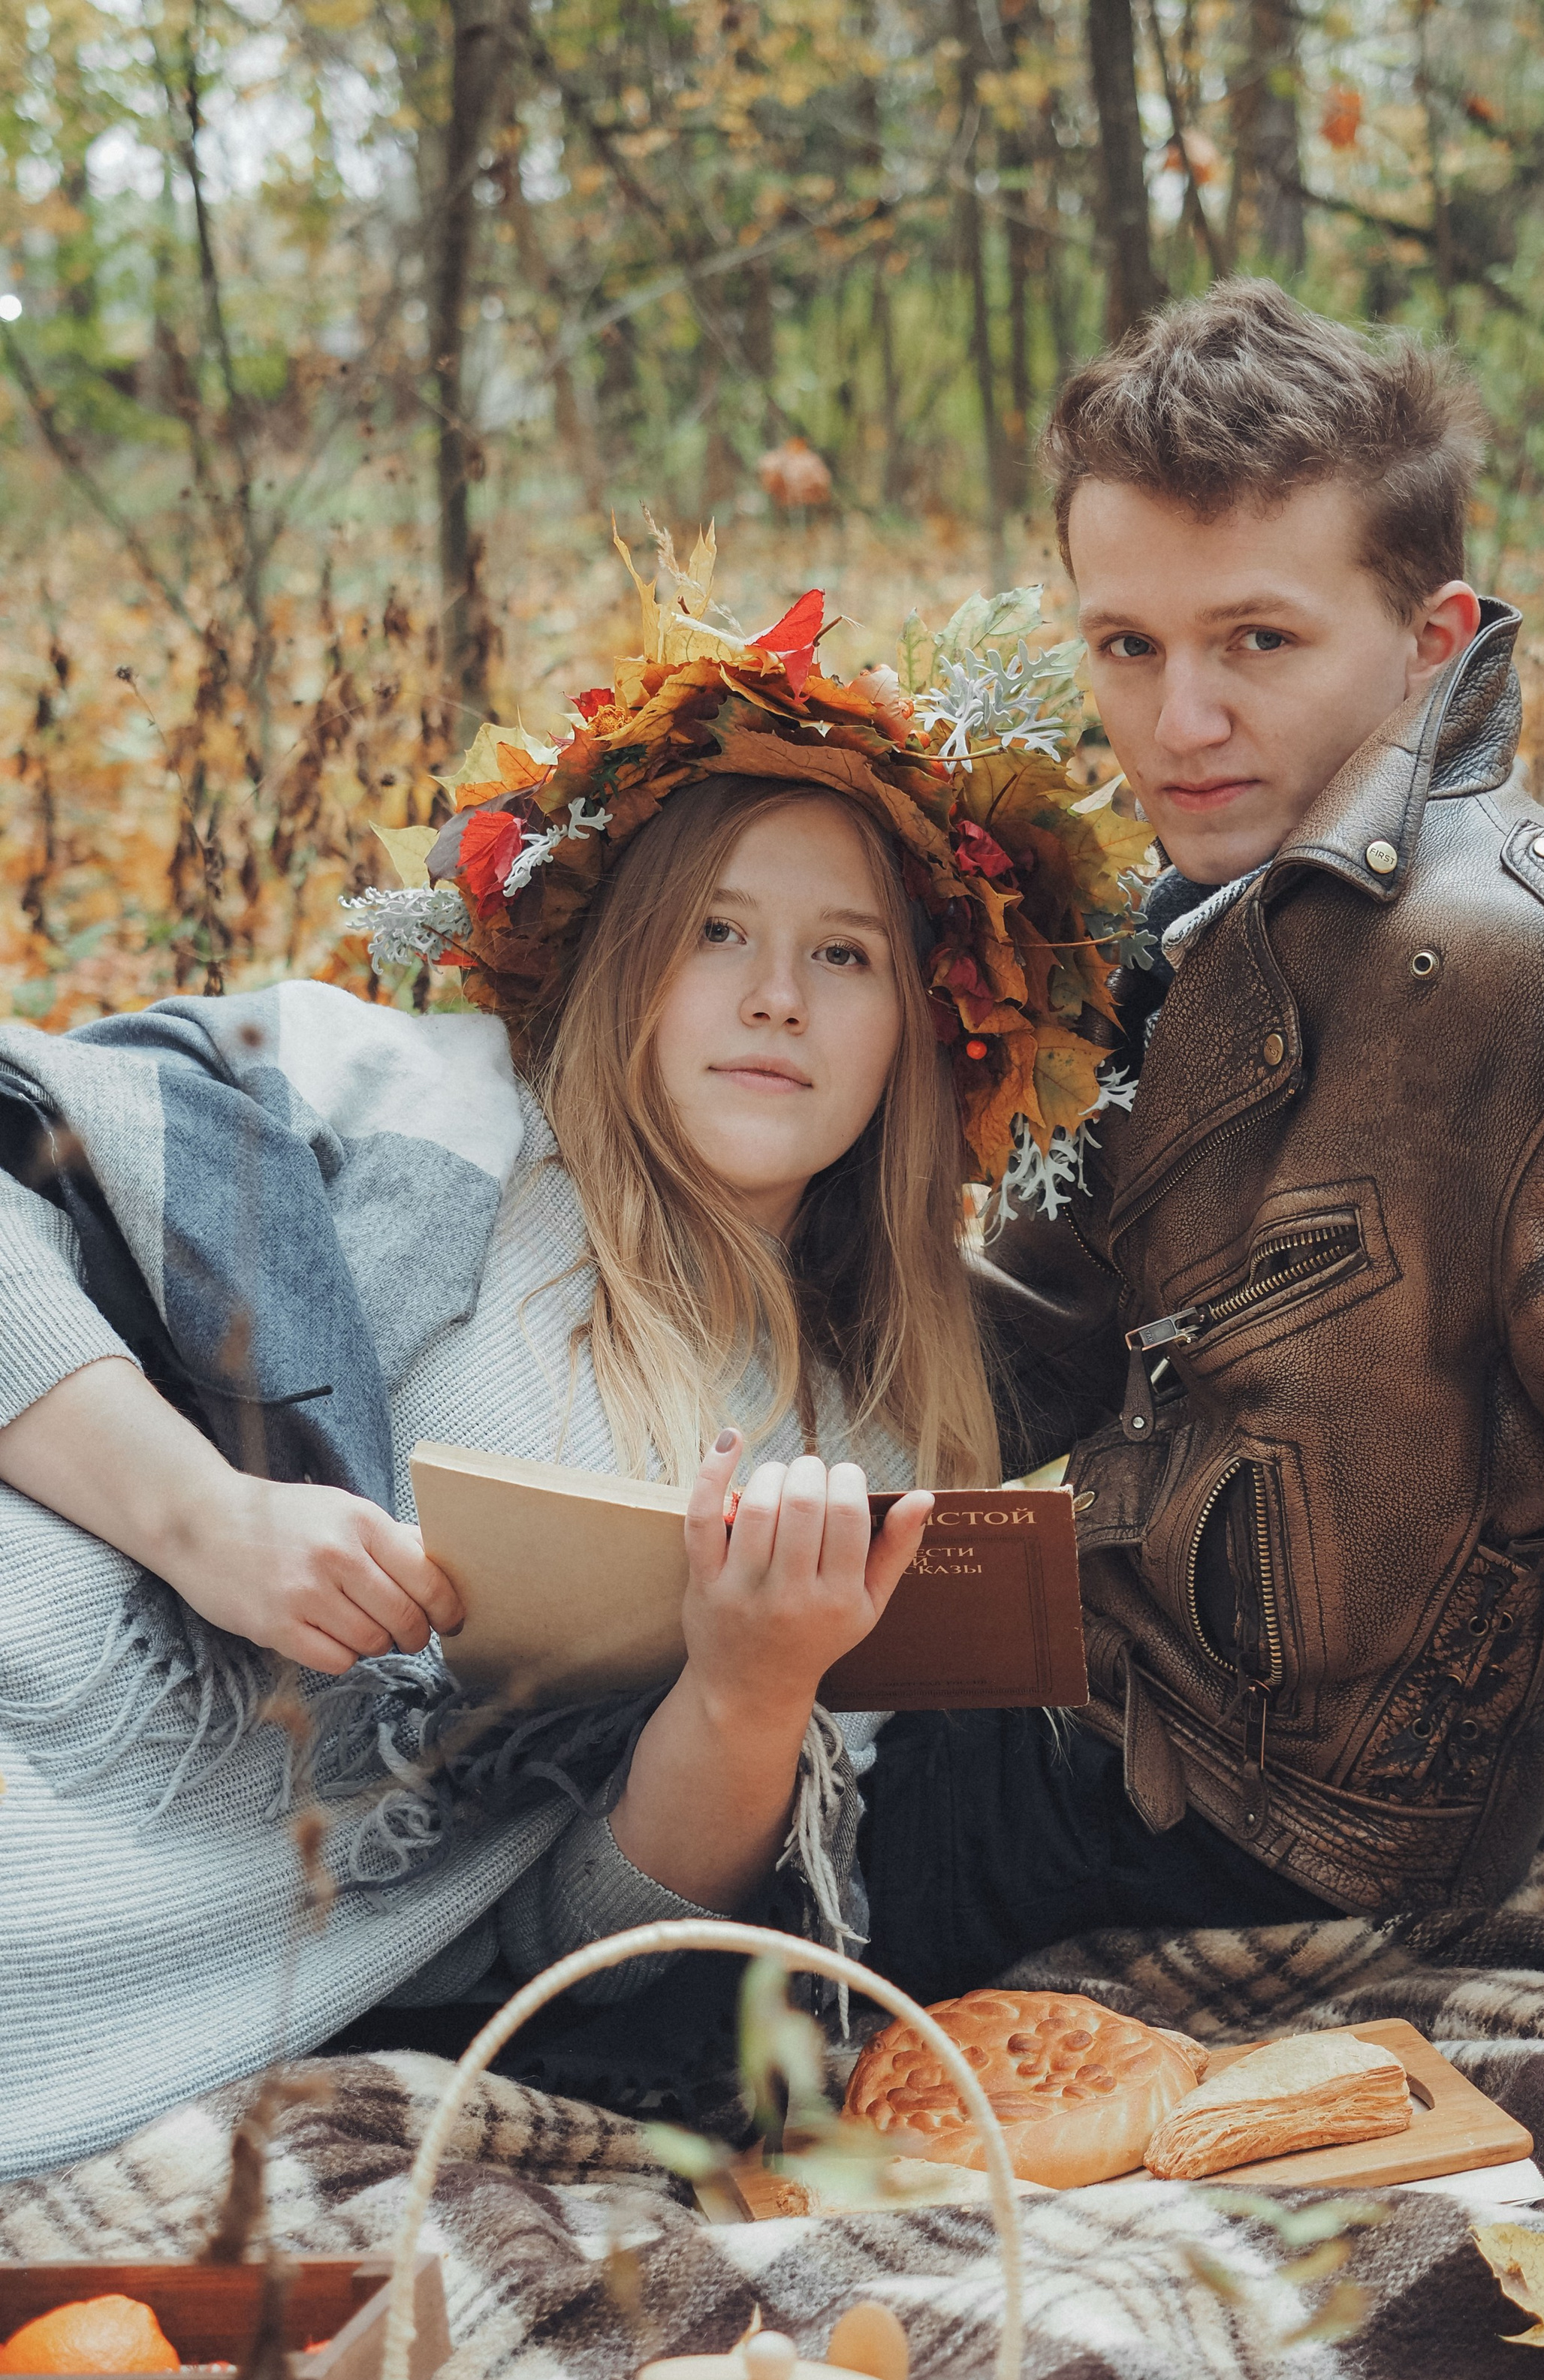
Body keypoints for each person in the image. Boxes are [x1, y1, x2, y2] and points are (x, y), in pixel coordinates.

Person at [0, 572, 1141, 2173]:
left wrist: (748, 1694)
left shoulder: (878, 1439)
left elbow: (582, 1954)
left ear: (921, 1026)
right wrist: (203, 1516)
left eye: (845, 955)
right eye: (717, 932)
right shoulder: (431, 1112)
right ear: (630, 958)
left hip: (147, 1998)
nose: (773, 996)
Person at [882, 277, 1544, 2022]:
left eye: (1256, 641)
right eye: (1126, 646)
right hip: (1068, 1719)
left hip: (1266, 1845)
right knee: (562, 1757)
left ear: (1431, 641)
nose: (1176, 722)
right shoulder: (1197, 913)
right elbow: (1038, 1336)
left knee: (578, 1919)